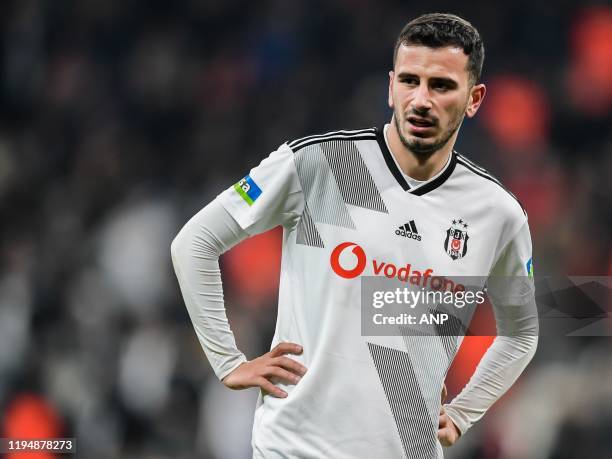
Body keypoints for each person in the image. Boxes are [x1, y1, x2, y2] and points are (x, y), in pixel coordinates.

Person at [171, 12, 538, 458]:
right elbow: (193, 243)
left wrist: (464, 412)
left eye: (441, 86)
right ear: (390, 87)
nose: (420, 99)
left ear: (474, 98)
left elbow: (521, 333)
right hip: (295, 449)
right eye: (409, 81)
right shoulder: (319, 164)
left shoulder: (496, 213)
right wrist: (228, 361)